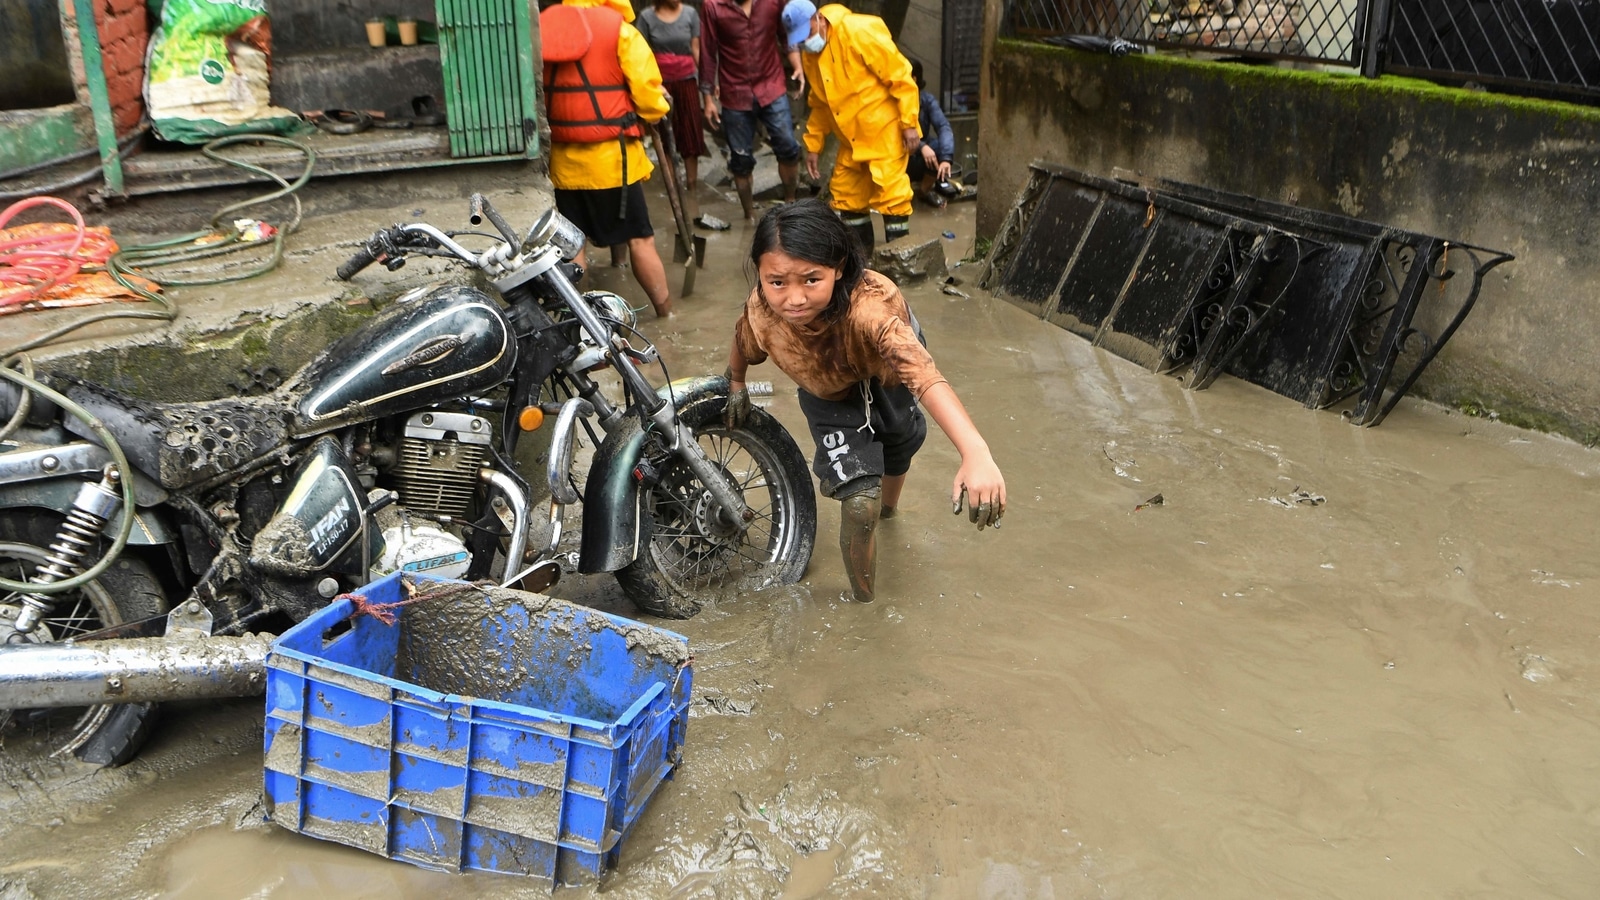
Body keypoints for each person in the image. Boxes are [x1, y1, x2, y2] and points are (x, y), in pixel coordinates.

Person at [723, 200, 1005, 604]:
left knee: (899, 443)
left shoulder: (871, 312)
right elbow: (743, 338)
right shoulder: (763, 310)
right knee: (858, 506)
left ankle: (890, 510)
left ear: (838, 268)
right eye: (777, 282)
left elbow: (925, 378)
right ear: (761, 276)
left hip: (887, 372)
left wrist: (976, 452)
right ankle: (865, 603)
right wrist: (736, 381)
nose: (795, 298)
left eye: (811, 279)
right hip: (827, 390)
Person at [540, 0, 674, 317]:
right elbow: (647, 93)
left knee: (573, 247)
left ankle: (576, 321)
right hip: (614, 164)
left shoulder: (544, 28)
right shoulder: (621, 32)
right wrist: (656, 112)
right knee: (640, 240)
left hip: (562, 166)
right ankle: (667, 314)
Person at [782, 0, 919, 255]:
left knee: (893, 198)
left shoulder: (858, 30)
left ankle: (900, 269)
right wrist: (813, 145)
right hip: (852, 140)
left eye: (808, 33)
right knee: (847, 197)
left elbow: (900, 76)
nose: (806, 41)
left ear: (819, 18)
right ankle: (862, 266)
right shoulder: (811, 56)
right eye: (800, 39)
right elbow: (820, 105)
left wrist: (909, 123)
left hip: (885, 131)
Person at [699, 0, 803, 223]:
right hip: (735, 92)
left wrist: (798, 66)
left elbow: (787, 35)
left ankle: (790, 204)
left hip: (771, 85)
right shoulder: (713, 6)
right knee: (740, 159)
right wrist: (707, 99)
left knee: (788, 146)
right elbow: (707, 53)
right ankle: (749, 217)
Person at [636, 0, 713, 225]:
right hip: (659, 84)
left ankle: (691, 188)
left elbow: (696, 50)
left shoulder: (690, 13)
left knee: (690, 134)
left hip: (687, 81)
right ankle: (674, 191)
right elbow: (642, 54)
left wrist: (706, 84)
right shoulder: (647, 18)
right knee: (664, 137)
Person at [906, 58, 955, 209]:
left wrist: (946, 158)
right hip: (901, 155)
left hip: (921, 160)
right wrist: (922, 147)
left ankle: (924, 191)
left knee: (939, 147)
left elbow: (943, 126)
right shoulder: (892, 100)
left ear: (914, 78)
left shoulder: (927, 101)